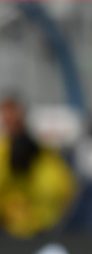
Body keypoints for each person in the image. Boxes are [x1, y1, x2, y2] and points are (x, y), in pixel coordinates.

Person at [0, 96, 76, 238]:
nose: (11, 122)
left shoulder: (43, 151)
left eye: (14, 117)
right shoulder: (3, 151)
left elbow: (62, 189)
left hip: (44, 228)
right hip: (7, 228)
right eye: (6, 118)